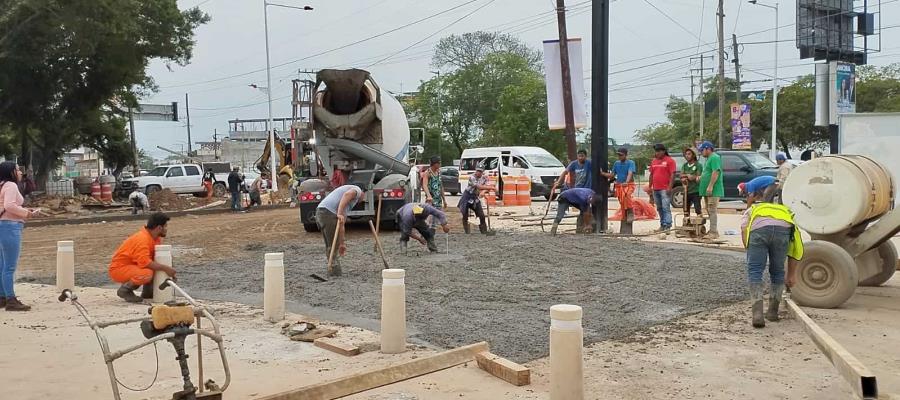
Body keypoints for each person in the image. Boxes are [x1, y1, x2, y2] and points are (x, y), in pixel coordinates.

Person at [740, 175, 803, 328]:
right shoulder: (787, 213)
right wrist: (791, 274)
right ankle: (773, 312)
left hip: (759, 230)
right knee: (777, 272)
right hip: (782, 231)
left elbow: (743, 228)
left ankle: (757, 314)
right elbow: (796, 248)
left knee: (755, 271)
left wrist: (749, 247)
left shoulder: (754, 208)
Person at [108, 213, 176, 303]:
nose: (167, 229)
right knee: (146, 273)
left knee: (155, 267)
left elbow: (154, 261)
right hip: (119, 269)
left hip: (130, 267)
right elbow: (145, 263)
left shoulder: (154, 238)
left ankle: (147, 293)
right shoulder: (142, 239)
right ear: (159, 228)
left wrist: (168, 268)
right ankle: (125, 290)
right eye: (166, 226)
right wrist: (166, 268)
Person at [0, 162, 41, 311]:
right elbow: (9, 206)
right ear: (11, 172)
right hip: (10, 226)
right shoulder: (10, 186)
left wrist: (23, 210)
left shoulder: (2, 185)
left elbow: (6, 206)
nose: (19, 172)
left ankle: (3, 297)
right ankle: (11, 300)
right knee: (9, 266)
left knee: (2, 265)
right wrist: (27, 213)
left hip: (2, 225)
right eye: (17, 169)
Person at [316, 184, 365, 276]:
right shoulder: (357, 190)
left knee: (331, 245)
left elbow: (341, 224)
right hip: (328, 213)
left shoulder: (347, 203)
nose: (363, 200)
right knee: (332, 246)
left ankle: (333, 271)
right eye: (364, 197)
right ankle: (334, 272)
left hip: (322, 212)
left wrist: (342, 243)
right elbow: (347, 194)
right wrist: (339, 213)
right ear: (363, 192)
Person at [648, 144, 677, 231]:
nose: (657, 153)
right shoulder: (654, 161)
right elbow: (651, 174)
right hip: (656, 188)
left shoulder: (670, 161)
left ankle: (668, 225)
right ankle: (662, 224)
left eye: (659, 151)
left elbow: (673, 174)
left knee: (666, 207)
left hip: (665, 188)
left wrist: (670, 187)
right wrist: (650, 186)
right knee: (659, 208)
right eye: (656, 151)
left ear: (663, 151)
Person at [698, 141, 724, 239]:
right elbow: (708, 172)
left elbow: (715, 172)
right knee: (709, 209)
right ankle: (712, 230)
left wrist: (710, 186)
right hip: (707, 190)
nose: (701, 152)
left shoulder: (714, 157)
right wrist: (701, 177)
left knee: (712, 209)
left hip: (713, 190)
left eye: (702, 150)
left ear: (708, 149)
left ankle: (713, 232)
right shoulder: (708, 159)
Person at [602, 147, 636, 219]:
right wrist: (602, 173)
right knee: (622, 201)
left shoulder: (630, 163)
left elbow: (630, 173)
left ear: (626, 155)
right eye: (619, 155)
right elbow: (612, 175)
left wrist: (626, 182)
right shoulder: (616, 163)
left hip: (629, 185)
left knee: (627, 195)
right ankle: (624, 216)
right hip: (619, 185)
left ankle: (630, 212)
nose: (619, 157)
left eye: (621, 155)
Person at [458, 166, 492, 234]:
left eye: (480, 171)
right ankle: (467, 231)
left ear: (483, 172)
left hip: (475, 197)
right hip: (467, 196)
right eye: (477, 171)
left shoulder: (485, 178)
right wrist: (492, 188)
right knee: (465, 214)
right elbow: (478, 186)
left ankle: (484, 231)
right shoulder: (472, 177)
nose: (478, 173)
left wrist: (483, 192)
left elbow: (488, 187)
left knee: (481, 214)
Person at [422, 156, 444, 227]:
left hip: (438, 200)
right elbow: (424, 185)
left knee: (436, 221)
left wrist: (444, 199)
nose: (440, 164)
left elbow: (441, 186)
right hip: (431, 199)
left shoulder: (438, 172)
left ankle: (431, 234)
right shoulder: (427, 173)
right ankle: (425, 235)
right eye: (439, 163)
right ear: (434, 164)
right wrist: (428, 195)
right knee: (428, 220)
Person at [680, 147, 703, 216]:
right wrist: (687, 176)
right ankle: (687, 222)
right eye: (686, 154)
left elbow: (697, 176)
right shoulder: (684, 165)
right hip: (686, 190)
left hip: (696, 190)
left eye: (689, 154)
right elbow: (681, 175)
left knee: (697, 208)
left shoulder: (698, 165)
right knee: (685, 208)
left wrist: (691, 176)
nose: (687, 156)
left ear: (693, 155)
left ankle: (699, 223)